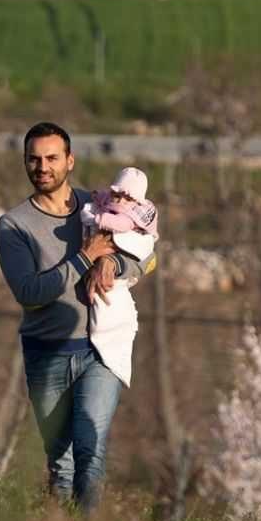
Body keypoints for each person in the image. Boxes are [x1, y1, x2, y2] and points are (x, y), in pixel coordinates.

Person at [0, 122, 143, 511]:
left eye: (51, 158)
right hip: (46, 354)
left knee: (90, 453)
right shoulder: (13, 226)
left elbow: (146, 257)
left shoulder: (101, 209)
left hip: (99, 350)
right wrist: (84, 257)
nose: (42, 166)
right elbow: (30, 293)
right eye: (34, 159)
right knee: (60, 464)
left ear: (69, 161)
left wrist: (111, 263)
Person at [79, 166, 160, 387]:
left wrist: (113, 261)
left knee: (108, 312)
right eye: (118, 195)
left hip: (115, 286)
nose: (121, 201)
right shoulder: (95, 203)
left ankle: (115, 357)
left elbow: (150, 259)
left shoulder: (131, 218)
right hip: (56, 346)